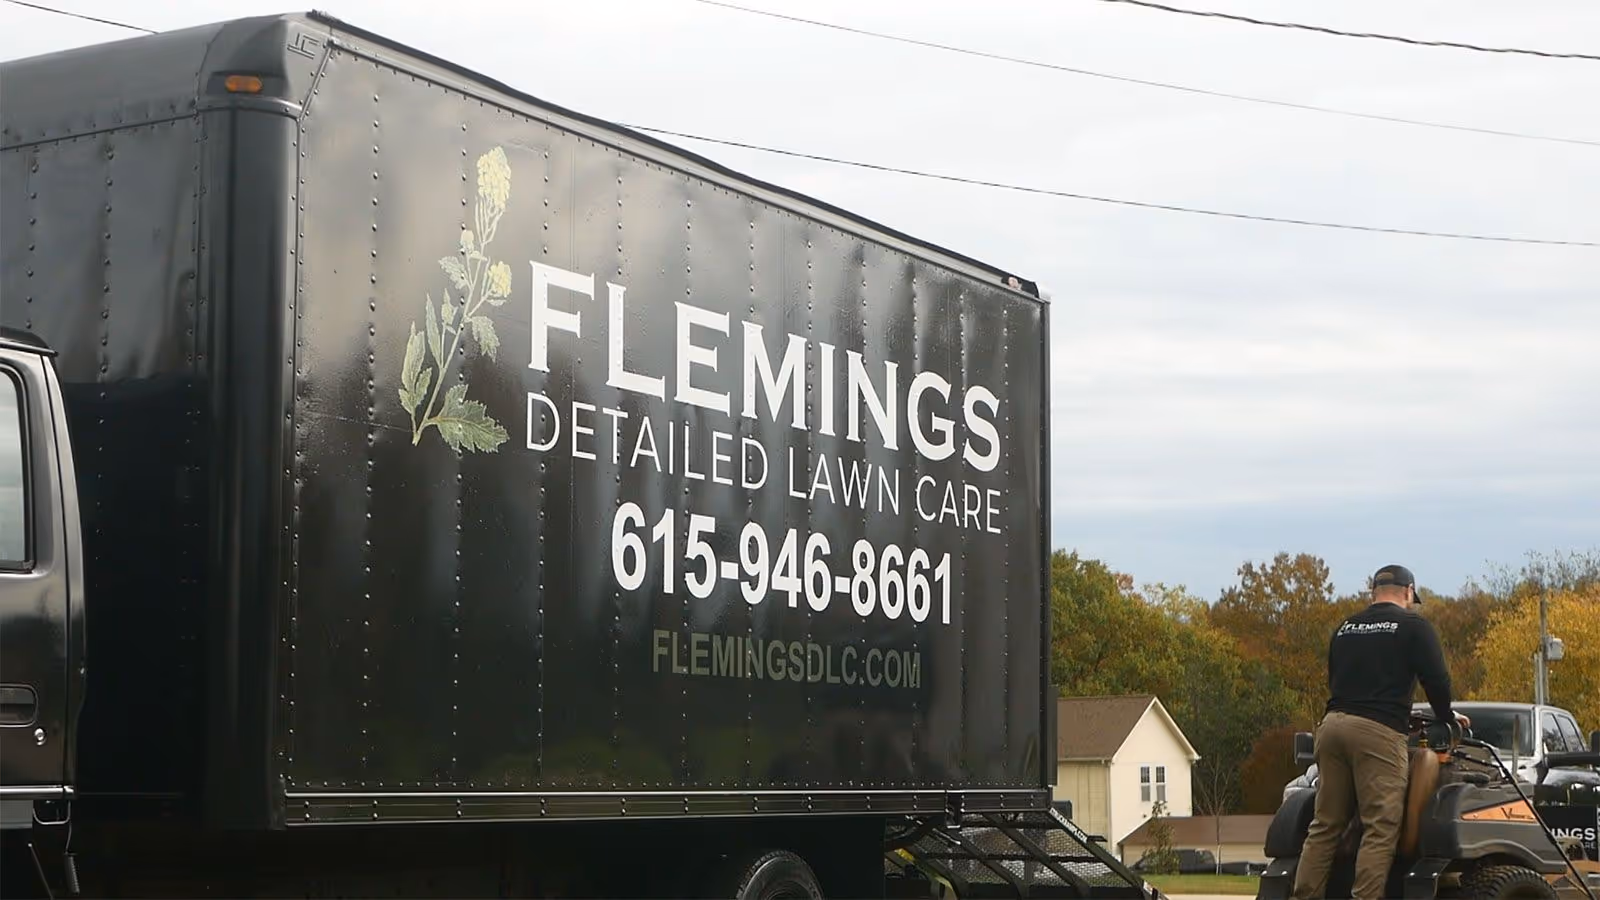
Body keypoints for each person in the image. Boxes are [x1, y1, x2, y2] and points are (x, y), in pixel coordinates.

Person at [1290, 564, 1468, 900]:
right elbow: (1437, 681)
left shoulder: (1345, 627)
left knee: (1325, 825)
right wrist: (1447, 717)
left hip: (1332, 727)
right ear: (1409, 592)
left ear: (1373, 593)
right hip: (1377, 733)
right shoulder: (1414, 625)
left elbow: (1339, 681)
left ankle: (1303, 896)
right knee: (1381, 826)